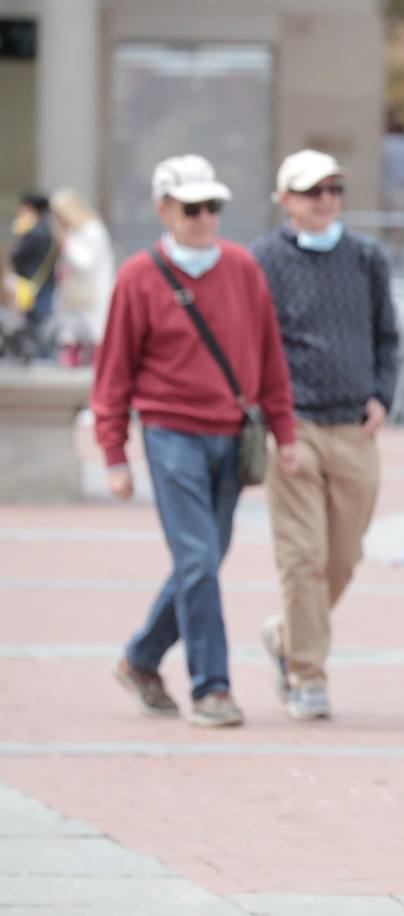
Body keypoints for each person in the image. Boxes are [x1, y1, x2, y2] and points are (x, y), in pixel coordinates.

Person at [95, 154, 298, 728]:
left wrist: (286, 433)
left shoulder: (242, 269)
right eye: (193, 208)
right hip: (169, 435)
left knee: (202, 562)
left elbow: (270, 360)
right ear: (163, 210)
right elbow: (112, 374)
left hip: (232, 437)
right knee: (198, 560)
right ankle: (212, 688)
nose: (206, 217)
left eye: (214, 207)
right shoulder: (138, 276)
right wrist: (114, 454)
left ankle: (140, 658)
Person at [252, 150, 400, 721]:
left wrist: (383, 394)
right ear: (286, 199)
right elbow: (252, 344)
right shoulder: (262, 261)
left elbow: (387, 334)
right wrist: (271, 414)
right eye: (312, 191)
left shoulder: (366, 257)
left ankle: (286, 634)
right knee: (303, 558)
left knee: (344, 556)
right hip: (294, 426)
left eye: (334, 190)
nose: (325, 200)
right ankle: (307, 673)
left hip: (355, 428)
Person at [49, 189, 115, 366]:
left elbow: (85, 263)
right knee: (72, 327)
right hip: (76, 293)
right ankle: (75, 353)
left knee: (93, 328)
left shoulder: (91, 230)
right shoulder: (77, 231)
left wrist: (66, 244)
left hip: (90, 291)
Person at [8, 192, 60, 359]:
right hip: (43, 284)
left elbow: (18, 257)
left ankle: (39, 358)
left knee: (34, 325)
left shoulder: (34, 231)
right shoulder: (49, 230)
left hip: (34, 284)